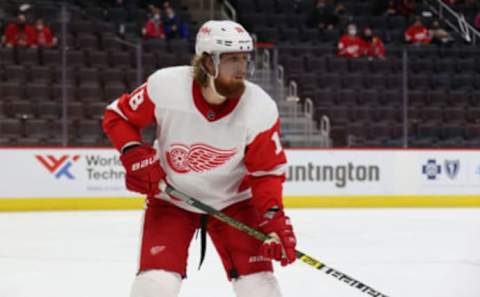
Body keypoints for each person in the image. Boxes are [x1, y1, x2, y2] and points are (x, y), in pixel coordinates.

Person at [103, 20, 297, 297]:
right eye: (232, 60)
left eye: (244, 59)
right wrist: (134, 153)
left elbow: (266, 172)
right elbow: (117, 116)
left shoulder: (260, 107)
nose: (242, 68)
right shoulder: (166, 86)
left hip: (235, 204)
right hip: (171, 200)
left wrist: (274, 221)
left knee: (261, 289)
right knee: (155, 286)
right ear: (207, 63)